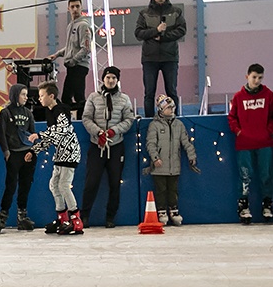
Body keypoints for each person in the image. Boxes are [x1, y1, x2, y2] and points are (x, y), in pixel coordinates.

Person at [80, 66, 135, 228]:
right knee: (91, 182)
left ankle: (110, 217)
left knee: (115, 183)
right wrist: (98, 132)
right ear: (102, 79)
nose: (110, 81)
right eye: (108, 77)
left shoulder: (124, 99)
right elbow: (86, 117)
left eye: (113, 78)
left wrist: (113, 131)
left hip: (116, 146)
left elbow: (129, 119)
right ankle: (85, 216)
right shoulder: (93, 97)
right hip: (96, 146)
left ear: (117, 80)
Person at [26, 81, 83, 235]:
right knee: (54, 185)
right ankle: (62, 217)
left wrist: (39, 135)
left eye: (42, 96)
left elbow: (61, 130)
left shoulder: (61, 110)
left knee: (64, 185)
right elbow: (52, 136)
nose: (39, 99)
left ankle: (76, 220)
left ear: (51, 96)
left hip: (70, 152)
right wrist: (34, 150)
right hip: (60, 153)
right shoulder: (50, 112)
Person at [228, 63, 273, 223]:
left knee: (266, 175)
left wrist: (268, 131)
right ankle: (243, 206)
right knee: (245, 176)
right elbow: (232, 117)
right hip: (244, 144)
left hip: (265, 143)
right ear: (247, 77)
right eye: (254, 77)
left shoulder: (268, 95)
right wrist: (239, 131)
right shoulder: (238, 97)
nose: (257, 81)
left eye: (260, 78)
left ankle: (267, 204)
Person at [134, 0, 187, 117]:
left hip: (170, 58)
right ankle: (149, 121)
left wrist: (163, 37)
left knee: (171, 91)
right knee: (149, 93)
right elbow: (138, 33)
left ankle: (174, 120)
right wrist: (155, 31)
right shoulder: (144, 13)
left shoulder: (176, 12)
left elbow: (181, 30)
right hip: (149, 59)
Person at [146, 95, 198, 225]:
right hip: (159, 167)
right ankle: (162, 210)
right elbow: (151, 143)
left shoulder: (179, 125)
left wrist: (191, 155)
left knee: (173, 190)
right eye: (168, 108)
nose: (171, 110)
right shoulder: (154, 125)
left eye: (172, 107)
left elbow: (186, 142)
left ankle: (174, 210)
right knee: (161, 190)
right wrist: (155, 158)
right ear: (161, 109)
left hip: (174, 166)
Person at [0, 83, 37, 232]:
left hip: (27, 153)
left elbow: (33, 134)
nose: (26, 97)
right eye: (23, 94)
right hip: (13, 154)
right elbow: (1, 134)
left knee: (25, 186)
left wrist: (32, 152)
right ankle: (3, 216)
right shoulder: (5, 113)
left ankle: (22, 216)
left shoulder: (28, 112)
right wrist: (6, 152)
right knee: (11, 185)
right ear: (15, 95)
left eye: (26, 95)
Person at [48, 0, 92, 119]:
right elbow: (70, 47)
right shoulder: (70, 26)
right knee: (66, 98)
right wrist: (57, 54)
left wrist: (73, 61)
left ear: (81, 7)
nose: (75, 9)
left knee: (78, 97)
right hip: (72, 66)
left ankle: (82, 121)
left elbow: (86, 48)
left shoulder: (83, 26)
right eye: (72, 7)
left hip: (79, 66)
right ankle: (68, 121)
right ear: (68, 8)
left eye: (77, 6)